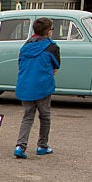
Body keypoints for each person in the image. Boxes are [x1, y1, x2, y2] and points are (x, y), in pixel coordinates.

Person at [14, 17, 60, 159]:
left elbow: (20, 63)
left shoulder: (26, 45)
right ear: (48, 31)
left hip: (26, 85)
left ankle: (20, 146)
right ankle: (42, 145)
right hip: (42, 86)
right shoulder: (52, 47)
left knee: (27, 116)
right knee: (45, 116)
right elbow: (55, 67)